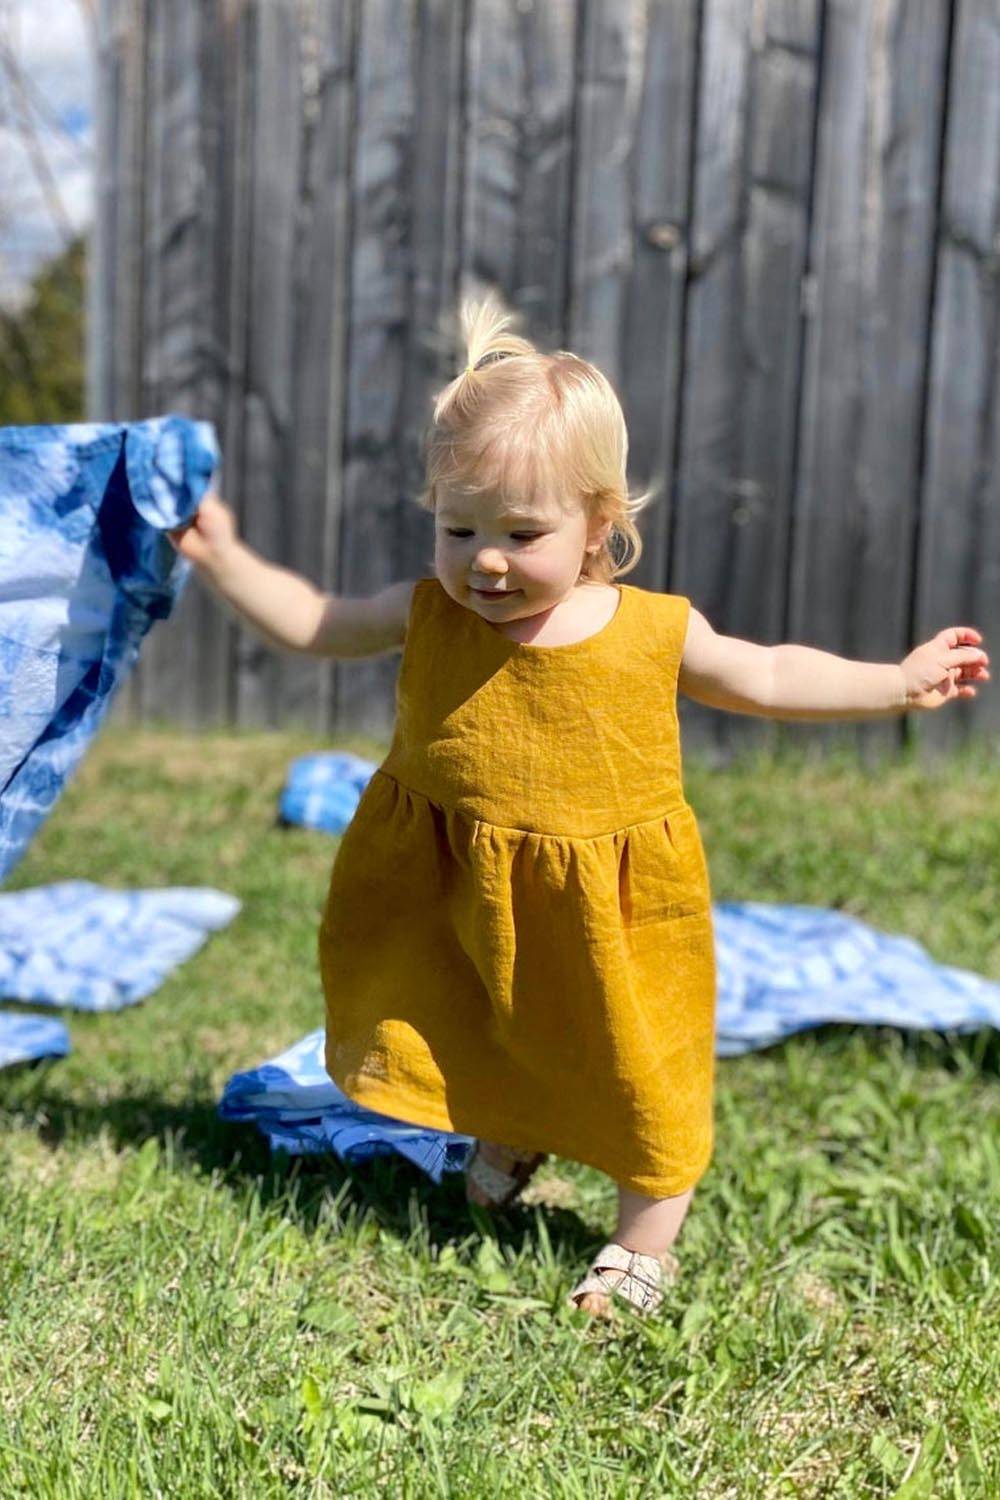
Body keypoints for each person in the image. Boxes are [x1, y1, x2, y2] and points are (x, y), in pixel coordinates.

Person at [167, 293, 990, 1318]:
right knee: (483, 1022)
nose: (486, 558)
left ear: (599, 522)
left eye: (522, 530)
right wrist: (226, 558)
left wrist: (894, 684)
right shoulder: (429, 612)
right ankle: (514, 1125)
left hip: (606, 908)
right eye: (457, 527)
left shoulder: (647, 629)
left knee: (634, 1064)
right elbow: (316, 622)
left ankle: (644, 1239)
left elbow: (769, 674)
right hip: (464, 891)